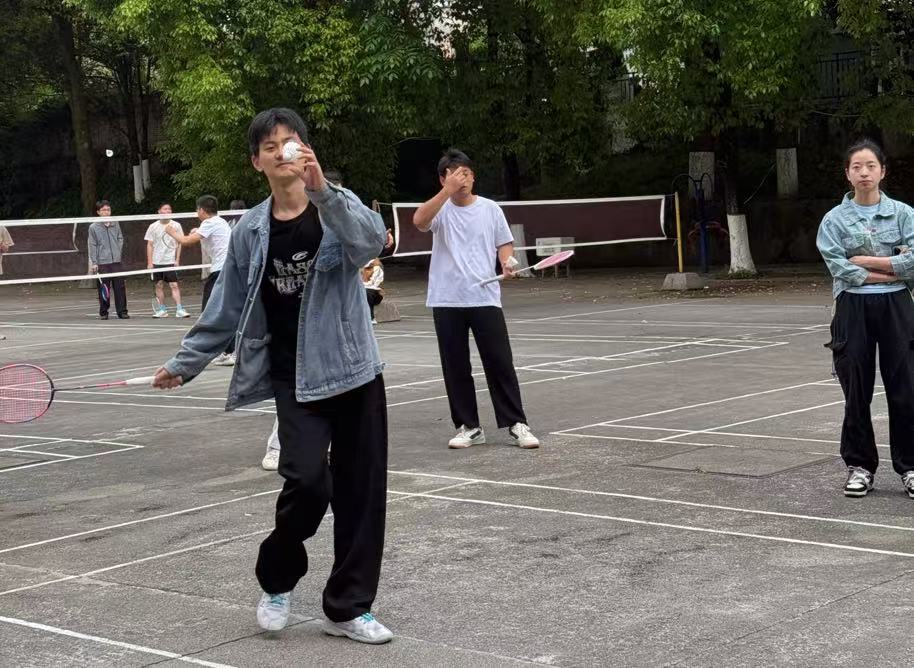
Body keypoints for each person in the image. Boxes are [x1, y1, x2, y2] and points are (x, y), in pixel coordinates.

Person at [152, 107, 391, 643]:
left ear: (305, 150)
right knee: (306, 481)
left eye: (291, 141)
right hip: (294, 375)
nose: (282, 151)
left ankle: (348, 608)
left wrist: (324, 189)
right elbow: (226, 305)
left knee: (361, 493)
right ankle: (277, 579)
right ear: (257, 162)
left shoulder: (336, 205)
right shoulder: (251, 231)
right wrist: (185, 363)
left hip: (354, 368)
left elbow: (370, 243)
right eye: (270, 146)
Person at [412, 149, 539, 450]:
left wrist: (507, 263)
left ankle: (516, 422)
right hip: (447, 298)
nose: (462, 180)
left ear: (473, 176)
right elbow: (419, 221)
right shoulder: (440, 209)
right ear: (443, 179)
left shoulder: (490, 209)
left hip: (485, 296)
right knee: (455, 366)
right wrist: (446, 192)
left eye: (466, 173)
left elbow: (504, 243)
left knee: (500, 362)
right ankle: (468, 427)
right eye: (455, 175)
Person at [817, 138, 914, 499]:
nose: (864, 173)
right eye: (856, 167)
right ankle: (860, 467)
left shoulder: (904, 214)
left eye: (871, 166)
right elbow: (839, 268)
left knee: (905, 388)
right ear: (847, 174)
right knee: (856, 389)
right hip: (852, 307)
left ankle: (910, 467)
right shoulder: (834, 220)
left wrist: (868, 262)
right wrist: (893, 268)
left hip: (897, 307)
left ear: (882, 171)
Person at [165, 195, 235, 365]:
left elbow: (186, 241)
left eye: (197, 209)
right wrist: (197, 230)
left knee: (211, 310)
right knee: (219, 311)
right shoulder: (220, 222)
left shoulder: (210, 223)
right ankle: (226, 351)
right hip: (225, 269)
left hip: (221, 271)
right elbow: (207, 235)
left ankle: (231, 351)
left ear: (202, 210)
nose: (197, 212)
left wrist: (171, 231)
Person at [145, 203, 190, 318]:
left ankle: (179, 309)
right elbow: (150, 245)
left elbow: (180, 243)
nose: (168, 211)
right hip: (157, 261)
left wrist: (177, 260)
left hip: (170, 261)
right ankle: (162, 310)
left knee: (174, 285)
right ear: (159, 211)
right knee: (158, 285)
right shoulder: (153, 226)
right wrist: (150, 262)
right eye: (165, 209)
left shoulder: (176, 225)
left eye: (169, 209)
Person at [88, 200, 129, 320]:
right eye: (104, 210)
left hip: (116, 262)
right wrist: (94, 262)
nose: (106, 212)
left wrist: (117, 252)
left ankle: (122, 311)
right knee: (104, 288)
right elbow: (92, 245)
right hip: (102, 262)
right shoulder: (93, 227)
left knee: (120, 287)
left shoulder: (115, 223)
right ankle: (104, 312)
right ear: (98, 212)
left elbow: (120, 238)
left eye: (108, 210)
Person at [363, 258, 384, 324]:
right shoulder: (357, 268)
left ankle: (371, 317)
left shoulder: (377, 268)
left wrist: (361, 285)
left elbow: (374, 284)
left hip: (375, 293)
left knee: (367, 292)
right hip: (361, 290)